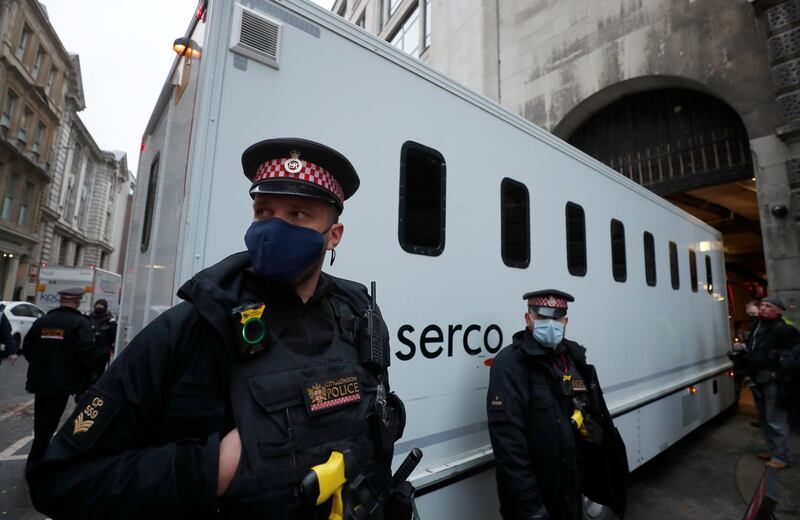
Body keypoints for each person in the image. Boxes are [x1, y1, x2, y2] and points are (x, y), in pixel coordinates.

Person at [27, 138, 410, 520]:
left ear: (333, 235)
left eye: (297, 215)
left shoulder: (360, 316)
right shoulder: (194, 325)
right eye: (263, 212)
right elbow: (60, 480)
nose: (273, 229)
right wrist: (210, 469)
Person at [487, 290, 627, 520]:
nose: (550, 325)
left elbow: (587, 414)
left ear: (565, 322)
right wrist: (531, 510)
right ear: (528, 319)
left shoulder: (570, 359)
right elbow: (509, 447)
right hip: (533, 503)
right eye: (542, 318)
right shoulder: (509, 365)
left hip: (569, 494)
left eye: (556, 319)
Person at [23, 288, 97, 466]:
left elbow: (28, 348)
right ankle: (37, 460)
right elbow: (87, 354)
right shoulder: (79, 323)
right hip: (63, 382)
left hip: (41, 380)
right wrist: (86, 379)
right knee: (50, 420)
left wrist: (40, 364)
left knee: (41, 419)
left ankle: (37, 456)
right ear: (77, 302)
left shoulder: (43, 321)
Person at [744, 295, 799, 469]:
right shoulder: (758, 326)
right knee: (764, 417)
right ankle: (774, 450)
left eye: (768, 306)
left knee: (775, 418)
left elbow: (794, 356)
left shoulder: (783, 329)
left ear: (779, 311)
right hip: (758, 377)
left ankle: (783, 457)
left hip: (773, 380)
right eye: (762, 305)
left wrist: (777, 373)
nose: (763, 308)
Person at [87, 298, 116, 378]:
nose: (99, 307)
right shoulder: (89, 318)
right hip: (90, 350)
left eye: (101, 305)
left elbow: (113, 335)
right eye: (97, 305)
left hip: (103, 351)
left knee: (99, 372)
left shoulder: (110, 320)